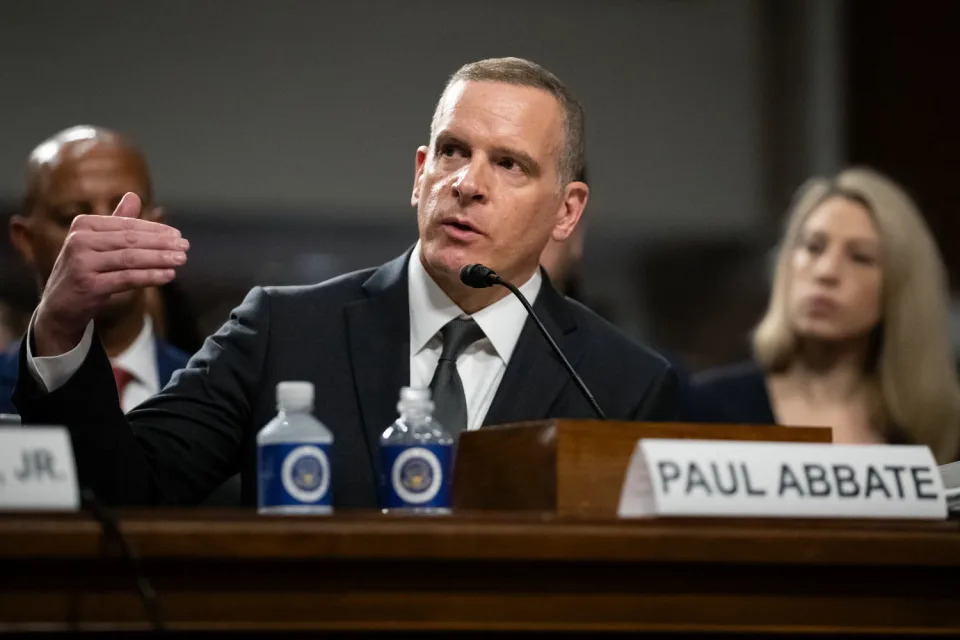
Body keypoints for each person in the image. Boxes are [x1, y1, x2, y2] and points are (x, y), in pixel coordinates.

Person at [12, 57, 679, 507]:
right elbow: (126, 489)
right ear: (419, 172)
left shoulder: (623, 384)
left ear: (567, 211)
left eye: (509, 164)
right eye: (452, 151)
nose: (467, 183)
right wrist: (62, 328)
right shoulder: (282, 330)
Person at [692, 167, 960, 463]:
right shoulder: (710, 407)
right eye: (813, 247)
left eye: (860, 257)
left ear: (899, 288)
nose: (826, 271)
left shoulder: (931, 428)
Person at [0, 126, 190, 414]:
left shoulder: (210, 392)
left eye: (128, 214)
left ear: (159, 229)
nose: (106, 238)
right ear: (26, 241)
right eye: (72, 218)